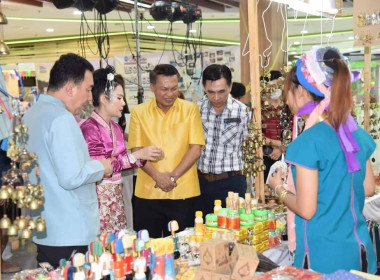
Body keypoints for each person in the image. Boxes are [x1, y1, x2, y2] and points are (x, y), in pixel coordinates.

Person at [268, 46, 377, 274]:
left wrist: (278, 188)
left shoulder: (308, 143)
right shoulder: (356, 133)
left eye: (287, 90)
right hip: (360, 250)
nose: (286, 99)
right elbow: (367, 187)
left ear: (300, 91)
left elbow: (306, 210)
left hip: (322, 257)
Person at [23, 53, 113, 268]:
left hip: (46, 227)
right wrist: (102, 166)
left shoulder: (32, 114)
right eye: (88, 89)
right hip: (70, 229)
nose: (90, 98)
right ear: (71, 88)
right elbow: (71, 176)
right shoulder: (61, 118)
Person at [81, 67, 162, 234]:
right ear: (104, 99)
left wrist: (145, 155)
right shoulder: (90, 128)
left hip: (116, 196)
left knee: (119, 243)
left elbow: (122, 161)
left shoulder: (116, 128)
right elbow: (103, 168)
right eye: (119, 98)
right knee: (102, 246)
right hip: (99, 198)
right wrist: (137, 155)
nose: (123, 103)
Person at [128, 64, 205, 238]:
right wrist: (157, 176)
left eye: (174, 89)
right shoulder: (139, 112)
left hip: (183, 191)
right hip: (147, 193)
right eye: (164, 89)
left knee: (184, 248)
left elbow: (196, 149)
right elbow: (136, 151)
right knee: (148, 248)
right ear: (152, 87)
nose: (170, 94)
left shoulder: (190, 109)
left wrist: (172, 177)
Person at [196, 64, 250, 215]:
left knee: (231, 232)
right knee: (202, 231)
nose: (216, 97)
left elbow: (250, 147)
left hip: (231, 183)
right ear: (204, 88)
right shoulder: (196, 110)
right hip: (200, 183)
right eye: (210, 92)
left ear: (230, 86)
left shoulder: (243, 112)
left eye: (222, 91)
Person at [260, 71, 292, 182]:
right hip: (265, 155)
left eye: (277, 86)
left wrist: (282, 149)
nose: (274, 89)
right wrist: (279, 146)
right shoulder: (258, 106)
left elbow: (295, 130)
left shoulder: (289, 105)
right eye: (271, 87)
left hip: (289, 155)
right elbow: (255, 135)